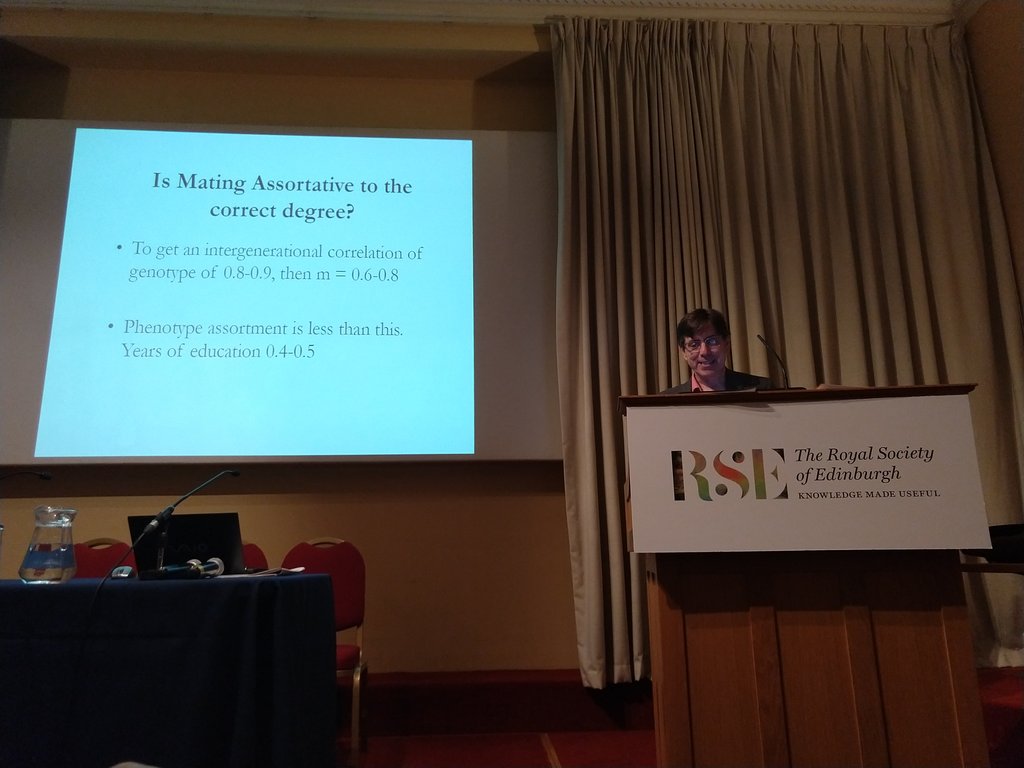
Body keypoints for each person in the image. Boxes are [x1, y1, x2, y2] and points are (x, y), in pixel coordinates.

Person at [663, 307, 774, 393]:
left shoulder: (762, 389)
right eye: (694, 344)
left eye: (712, 341)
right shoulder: (666, 402)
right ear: (684, 352)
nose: (704, 352)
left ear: (726, 344)